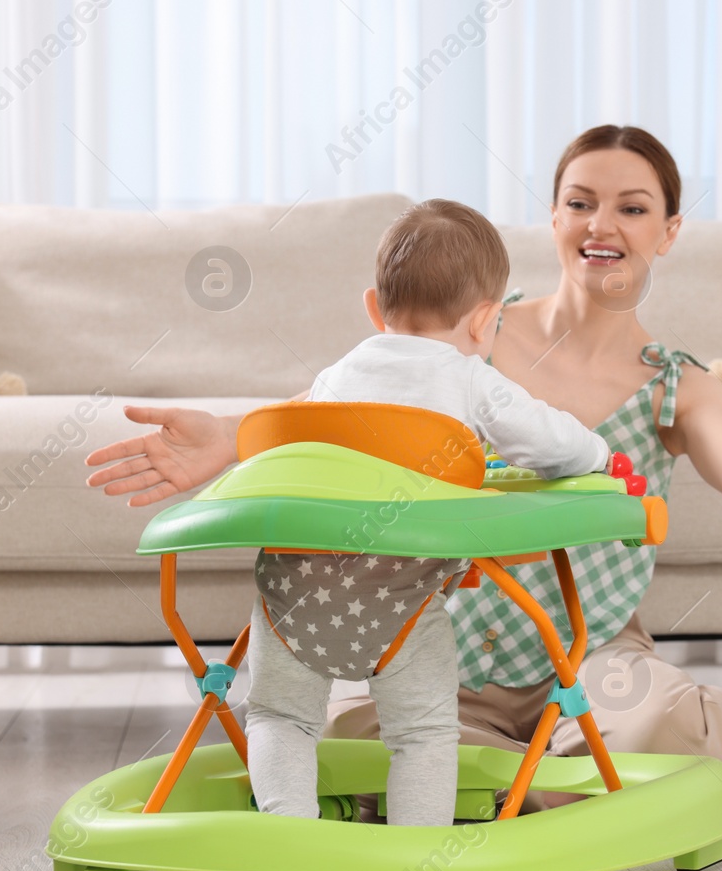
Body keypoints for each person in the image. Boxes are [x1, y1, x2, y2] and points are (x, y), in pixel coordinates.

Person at [85, 125, 722, 863]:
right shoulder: (468, 333)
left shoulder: (677, 384)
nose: (603, 223)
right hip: (439, 651)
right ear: (552, 218)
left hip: (589, 659)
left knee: (642, 708)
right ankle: (639, 774)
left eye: (633, 207)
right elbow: (346, 418)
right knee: (354, 751)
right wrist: (236, 441)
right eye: (581, 201)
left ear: (668, 232)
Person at [242, 198, 614, 838]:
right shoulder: (470, 379)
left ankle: (285, 837)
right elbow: (551, 442)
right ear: (485, 320)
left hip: (291, 591)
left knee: (279, 717)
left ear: (373, 308)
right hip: (398, 600)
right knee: (422, 733)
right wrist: (599, 454)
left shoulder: (331, 380)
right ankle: (419, 855)